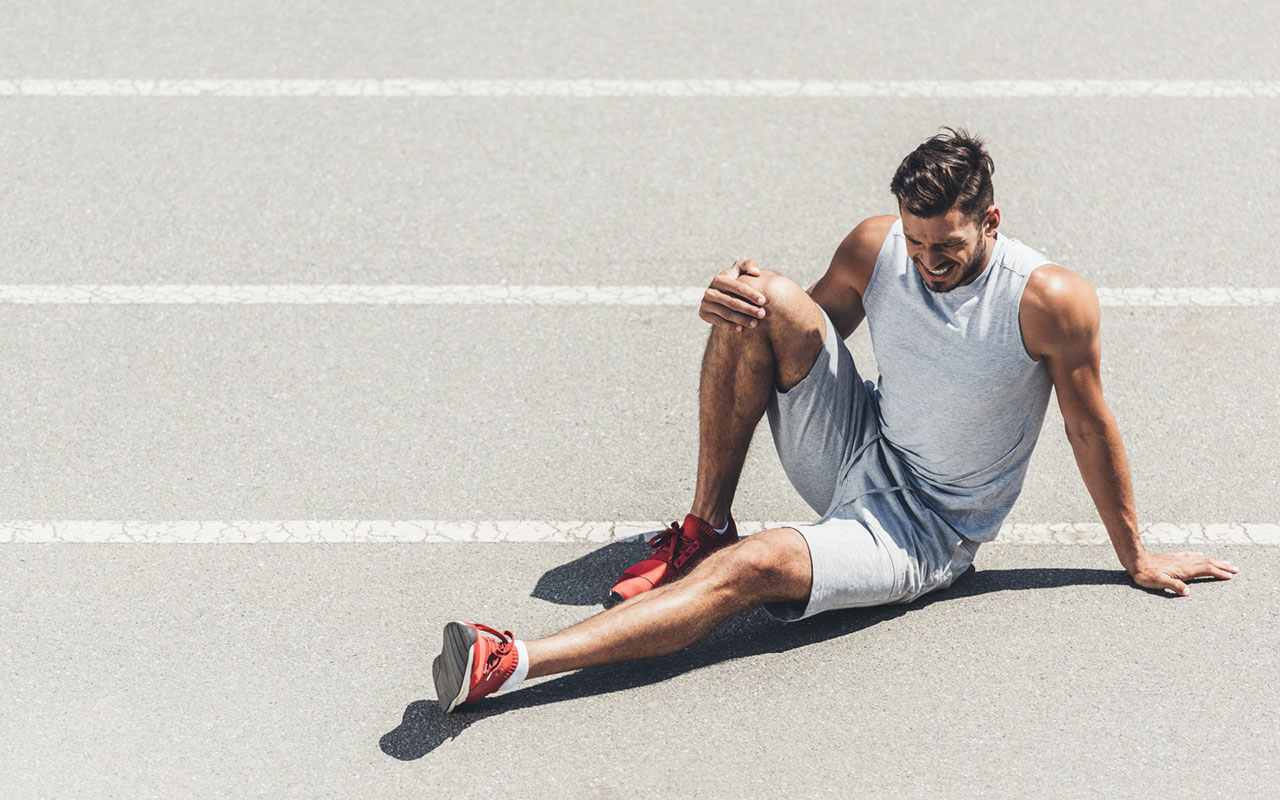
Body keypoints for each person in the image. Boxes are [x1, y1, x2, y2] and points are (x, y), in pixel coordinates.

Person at [430, 128, 1239, 713]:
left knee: (757, 567)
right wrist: (729, 309)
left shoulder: (1049, 302)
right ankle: (702, 526)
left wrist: (1132, 556)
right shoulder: (879, 246)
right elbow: (796, 338)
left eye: (947, 248)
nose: (927, 263)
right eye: (917, 243)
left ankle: (514, 661)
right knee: (759, 299)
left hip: (925, 530)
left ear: (991, 220)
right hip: (860, 443)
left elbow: (1089, 429)